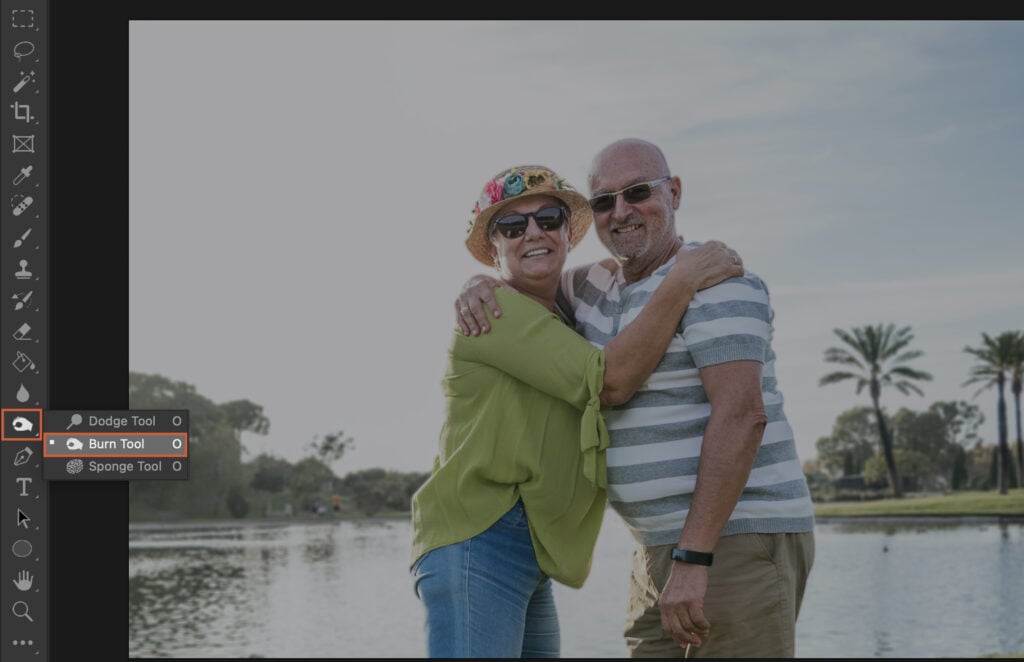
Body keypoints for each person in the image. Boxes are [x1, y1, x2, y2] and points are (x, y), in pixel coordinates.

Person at [455, 139, 816, 658]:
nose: (621, 211)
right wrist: (476, 282)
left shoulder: (717, 282)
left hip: (732, 541)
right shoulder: (590, 286)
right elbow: (526, 273)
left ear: (673, 192)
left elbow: (742, 418)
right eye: (604, 201)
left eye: (638, 192)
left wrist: (694, 558)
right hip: (652, 552)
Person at [410, 164, 744, 659]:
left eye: (547, 218)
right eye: (511, 227)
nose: (533, 233)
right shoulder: (496, 314)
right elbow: (610, 380)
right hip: (478, 540)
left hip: (527, 549)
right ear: (495, 247)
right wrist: (684, 279)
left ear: (568, 234)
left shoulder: (567, 316)